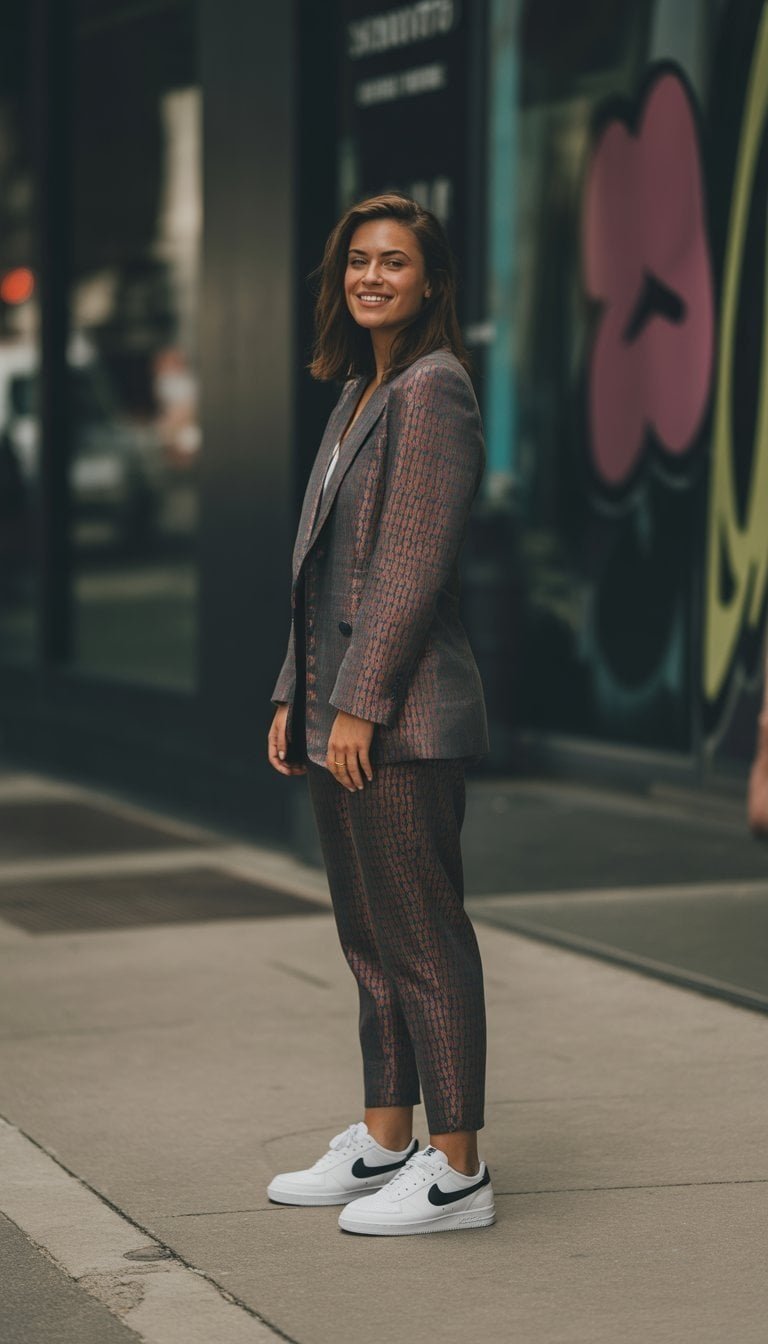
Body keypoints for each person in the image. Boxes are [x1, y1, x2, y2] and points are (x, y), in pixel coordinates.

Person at [266, 193, 494, 1236]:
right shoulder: (362, 389)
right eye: (358, 260)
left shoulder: (434, 389)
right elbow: (323, 571)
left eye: (394, 261)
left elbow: (408, 566)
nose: (371, 276)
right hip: (340, 712)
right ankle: (386, 1137)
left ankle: (458, 1171)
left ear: (431, 280)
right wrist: (294, 692)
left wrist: (354, 704)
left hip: (401, 718)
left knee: (422, 940)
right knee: (368, 939)